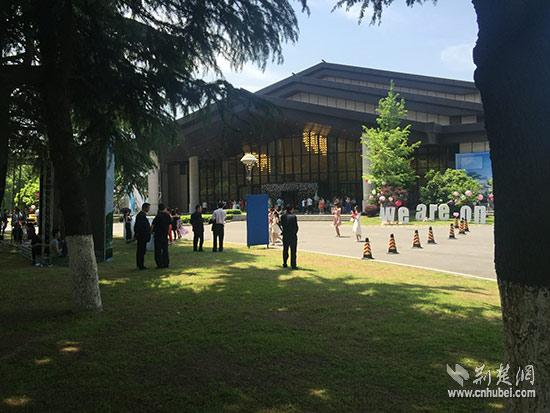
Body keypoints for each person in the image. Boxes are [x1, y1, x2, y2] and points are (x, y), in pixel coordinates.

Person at [151, 203, 171, 268]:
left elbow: (153, 225)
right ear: (164, 208)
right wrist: (168, 233)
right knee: (165, 250)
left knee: (158, 250)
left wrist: (151, 232)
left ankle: (159, 264)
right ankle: (166, 263)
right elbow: (169, 226)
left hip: (158, 235)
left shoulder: (157, 216)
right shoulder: (167, 216)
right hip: (164, 235)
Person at [280, 205, 298, 269]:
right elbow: (296, 227)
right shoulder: (293, 217)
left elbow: (281, 224)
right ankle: (293, 265)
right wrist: (294, 232)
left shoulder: (283, 216)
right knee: (293, 251)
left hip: (285, 235)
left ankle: (284, 263)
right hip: (292, 235)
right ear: (291, 209)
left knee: (285, 250)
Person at [134, 203, 151, 270]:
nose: (149, 209)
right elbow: (140, 227)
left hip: (142, 236)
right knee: (141, 251)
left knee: (141, 251)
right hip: (142, 236)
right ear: (145, 208)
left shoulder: (142, 215)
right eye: (148, 208)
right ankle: (140, 265)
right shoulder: (141, 216)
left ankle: (140, 264)